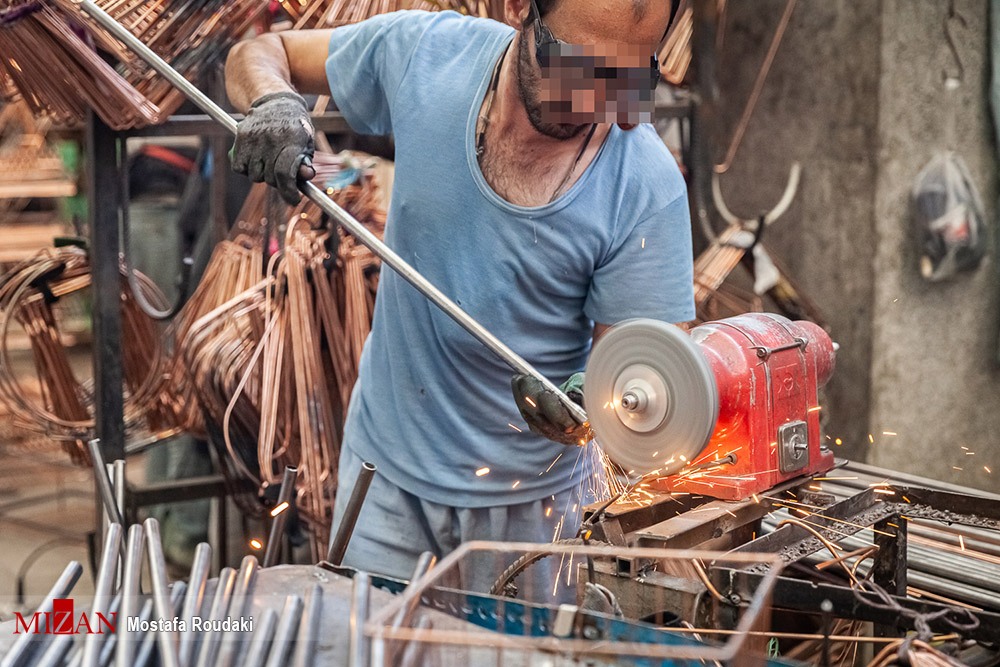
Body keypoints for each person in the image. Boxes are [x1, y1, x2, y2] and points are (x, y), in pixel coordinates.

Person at [224, 0, 694, 591]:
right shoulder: (429, 54)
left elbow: (644, 391)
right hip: (384, 485)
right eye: (579, 70)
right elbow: (262, 52)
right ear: (525, 12)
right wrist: (272, 100)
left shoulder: (643, 183)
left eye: (628, 80)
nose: (605, 107)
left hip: (531, 524)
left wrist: (600, 407)